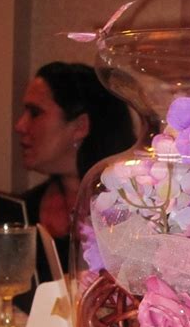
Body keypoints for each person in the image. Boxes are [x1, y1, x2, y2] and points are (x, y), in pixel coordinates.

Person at [15, 61, 136, 279]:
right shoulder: (21, 210)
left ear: (80, 126)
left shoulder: (136, 212)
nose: (20, 126)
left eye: (35, 113)